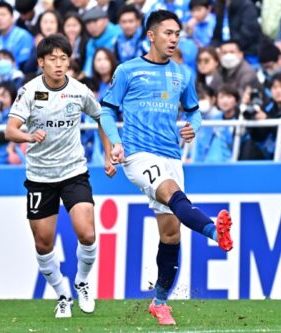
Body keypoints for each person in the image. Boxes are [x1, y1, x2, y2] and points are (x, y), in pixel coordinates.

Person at [100, 10, 233, 326]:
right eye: (168, 33)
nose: (174, 39)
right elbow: (106, 111)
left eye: (177, 34)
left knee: (171, 234)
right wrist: (115, 143)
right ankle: (215, 232)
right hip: (137, 155)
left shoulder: (182, 74)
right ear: (151, 35)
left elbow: (195, 112)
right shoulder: (128, 71)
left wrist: (192, 127)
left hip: (172, 155)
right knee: (171, 193)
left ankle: (159, 302)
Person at [4, 34, 115, 318]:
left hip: (73, 171)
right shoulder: (29, 92)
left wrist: (106, 153)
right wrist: (28, 135)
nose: (58, 64)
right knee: (43, 242)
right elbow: (10, 129)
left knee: (87, 233)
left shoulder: (79, 91)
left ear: (69, 61)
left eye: (63, 58)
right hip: (40, 176)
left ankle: (82, 282)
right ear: (41, 62)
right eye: (52, 59)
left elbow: (101, 117)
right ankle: (62, 293)